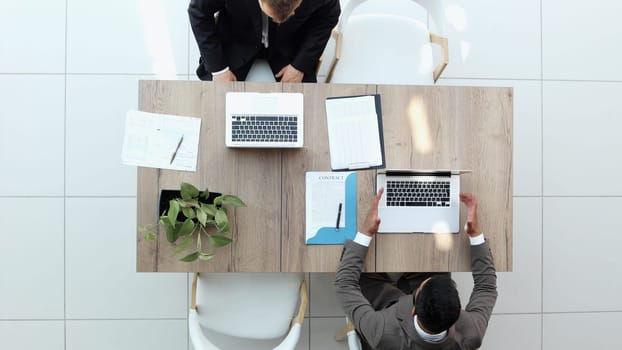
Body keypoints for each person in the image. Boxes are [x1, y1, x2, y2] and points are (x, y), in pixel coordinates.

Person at [335, 189, 498, 350]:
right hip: (417, 314)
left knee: (362, 272)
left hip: (387, 308)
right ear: (456, 315)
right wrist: (475, 234)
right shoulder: (471, 335)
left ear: (413, 309)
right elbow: (486, 288)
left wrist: (366, 232)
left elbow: (345, 285)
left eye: (422, 287)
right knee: (435, 262)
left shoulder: (381, 332)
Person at [188, 0, 340, 82]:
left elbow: (328, 16)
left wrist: (299, 65)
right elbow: (198, 12)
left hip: (288, 42)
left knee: (305, 106)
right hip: (237, 37)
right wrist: (219, 69)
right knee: (214, 104)